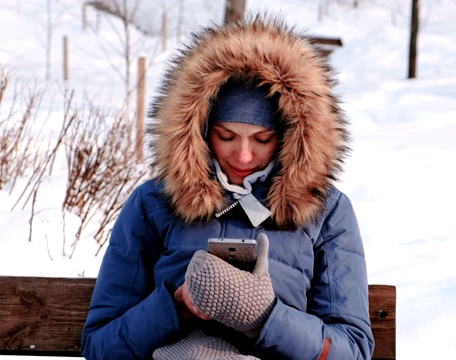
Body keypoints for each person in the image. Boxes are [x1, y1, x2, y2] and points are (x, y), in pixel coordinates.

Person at [81, 14, 374, 360]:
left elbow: (352, 350)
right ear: (202, 130)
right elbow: (100, 345)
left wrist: (265, 317)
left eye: (262, 139)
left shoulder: (327, 213)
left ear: (288, 138)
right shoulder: (152, 203)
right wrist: (178, 307)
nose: (244, 154)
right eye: (227, 136)